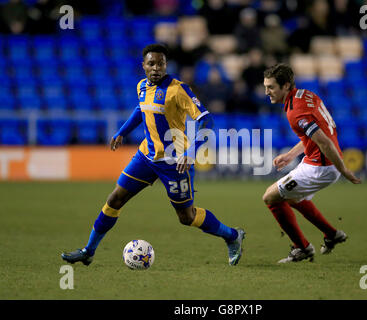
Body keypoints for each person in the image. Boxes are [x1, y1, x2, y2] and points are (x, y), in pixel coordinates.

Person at [61, 44, 245, 266]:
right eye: (151, 63)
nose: (156, 68)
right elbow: (141, 109)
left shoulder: (178, 89)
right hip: (146, 157)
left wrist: (190, 152)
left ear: (166, 65)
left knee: (186, 217)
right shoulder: (141, 86)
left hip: (174, 162)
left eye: (161, 63)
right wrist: (122, 132)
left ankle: (233, 236)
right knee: (114, 199)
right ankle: (88, 251)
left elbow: (207, 120)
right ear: (144, 66)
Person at [262, 63, 361, 263]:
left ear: (286, 85)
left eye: (271, 87)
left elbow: (323, 141)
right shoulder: (304, 95)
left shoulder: (295, 112)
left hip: (320, 168)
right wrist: (291, 155)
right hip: (316, 161)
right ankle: (332, 234)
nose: (267, 92)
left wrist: (343, 170)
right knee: (290, 198)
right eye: (266, 87)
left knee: (270, 198)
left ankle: (302, 248)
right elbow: (315, 136)